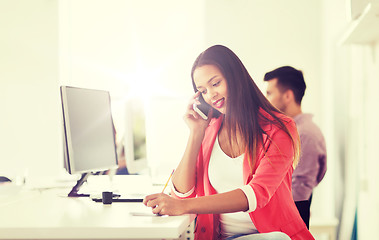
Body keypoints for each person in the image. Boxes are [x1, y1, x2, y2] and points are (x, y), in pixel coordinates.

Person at [143, 45, 314, 240]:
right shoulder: (209, 131)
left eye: (215, 83)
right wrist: (195, 133)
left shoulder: (279, 128)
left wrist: (183, 206)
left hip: (271, 235)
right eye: (203, 91)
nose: (211, 95)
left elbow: (257, 193)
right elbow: (182, 194)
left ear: (235, 78)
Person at [263, 66, 327, 229]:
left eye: (270, 93)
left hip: (291, 218)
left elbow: (300, 188)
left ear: (288, 96)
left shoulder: (305, 134)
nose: (266, 98)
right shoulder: (289, 131)